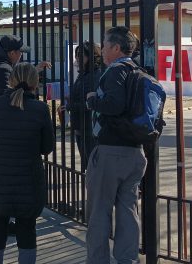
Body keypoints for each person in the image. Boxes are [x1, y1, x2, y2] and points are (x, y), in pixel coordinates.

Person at [0, 62, 55, 264]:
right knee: (27, 233)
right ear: (36, 82)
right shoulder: (40, 109)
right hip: (28, 182)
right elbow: (47, 147)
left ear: (10, 80)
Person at [85, 26, 146, 264]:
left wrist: (93, 101)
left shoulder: (114, 71)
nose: (102, 50)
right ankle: (127, 260)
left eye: (105, 44)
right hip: (135, 152)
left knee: (99, 212)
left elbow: (113, 105)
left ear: (116, 48)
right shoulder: (139, 71)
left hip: (111, 152)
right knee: (128, 211)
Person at [58, 42, 103, 172]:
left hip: (89, 125)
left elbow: (91, 103)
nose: (78, 58)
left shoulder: (95, 75)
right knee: (87, 164)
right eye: (76, 55)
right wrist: (69, 99)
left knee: (92, 164)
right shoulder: (83, 74)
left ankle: (94, 189)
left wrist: (71, 106)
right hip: (80, 124)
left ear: (92, 56)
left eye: (81, 55)